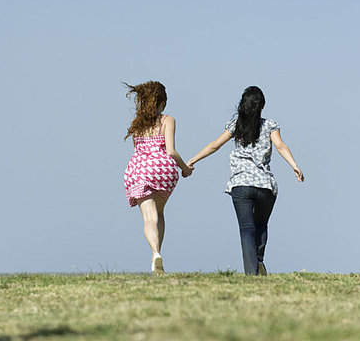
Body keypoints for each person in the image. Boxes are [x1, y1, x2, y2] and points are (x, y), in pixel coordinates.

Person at [187, 86, 304, 275]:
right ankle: (258, 260)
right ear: (262, 106)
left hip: (241, 184)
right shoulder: (270, 125)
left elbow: (214, 145)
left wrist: (192, 160)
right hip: (265, 185)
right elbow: (281, 146)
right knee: (261, 224)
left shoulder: (235, 125)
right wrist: (295, 166)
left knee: (246, 229)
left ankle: (251, 273)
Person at [123, 81, 193, 274]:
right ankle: (158, 258)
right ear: (162, 102)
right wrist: (185, 168)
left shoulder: (137, 125)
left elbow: (137, 151)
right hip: (163, 171)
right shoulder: (167, 120)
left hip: (139, 170)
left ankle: (155, 253)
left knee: (149, 217)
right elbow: (171, 151)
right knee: (159, 214)